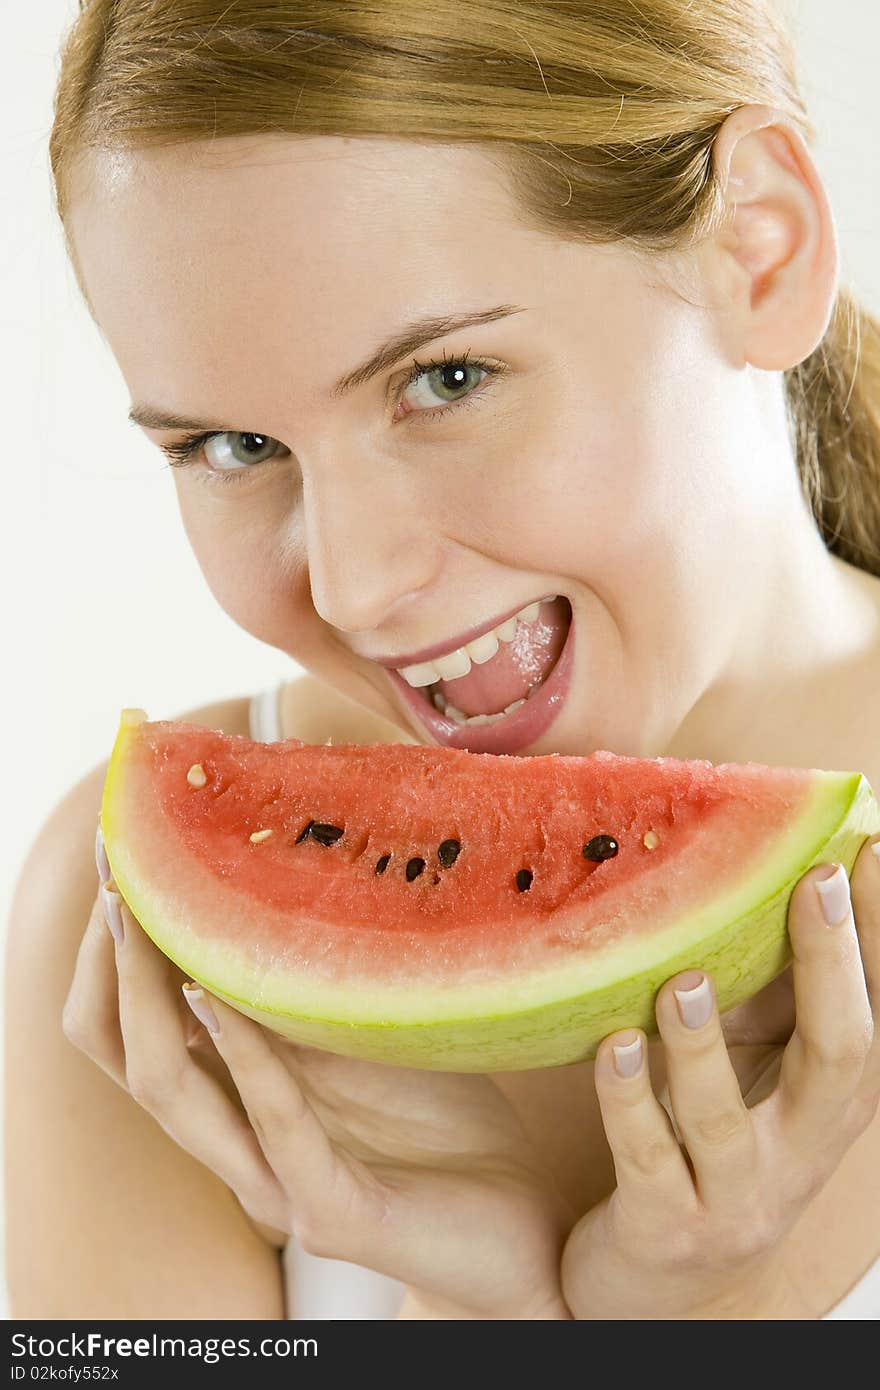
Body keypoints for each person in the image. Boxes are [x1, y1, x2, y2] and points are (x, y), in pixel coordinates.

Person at [5, 0, 880, 1319]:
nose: (355, 584)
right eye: (231, 448)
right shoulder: (127, 930)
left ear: (761, 251)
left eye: (449, 379)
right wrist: (508, 1313)